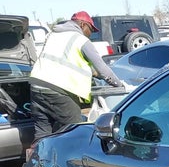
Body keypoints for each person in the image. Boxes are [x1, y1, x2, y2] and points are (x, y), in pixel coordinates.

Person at [28, 11, 123, 148]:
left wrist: (92, 73)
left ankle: (34, 162)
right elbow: (103, 69)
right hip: (57, 90)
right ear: (83, 24)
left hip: (37, 86)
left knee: (42, 133)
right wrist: (119, 84)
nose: (90, 33)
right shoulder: (81, 40)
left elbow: (63, 62)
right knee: (76, 130)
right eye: (90, 29)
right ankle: (73, 165)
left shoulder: (52, 35)